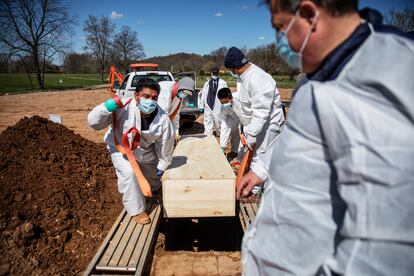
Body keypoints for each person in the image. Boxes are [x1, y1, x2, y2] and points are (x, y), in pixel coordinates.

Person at [239, 1, 414, 275]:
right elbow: (306, 142)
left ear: (309, 15)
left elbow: (382, 251)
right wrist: (262, 169)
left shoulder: (382, 82)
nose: (281, 41)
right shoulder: (321, 73)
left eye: (281, 28)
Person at [88, 78, 175, 225]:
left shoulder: (162, 119)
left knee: (152, 177)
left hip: (144, 150)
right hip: (120, 148)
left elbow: (165, 144)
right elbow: (94, 124)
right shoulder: (123, 107)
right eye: (146, 96)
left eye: (154, 98)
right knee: (129, 174)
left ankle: (152, 192)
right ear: (136, 96)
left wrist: (162, 164)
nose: (150, 101)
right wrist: (106, 107)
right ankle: (137, 210)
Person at [224, 46, 285, 185]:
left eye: (230, 70)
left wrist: (252, 133)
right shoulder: (245, 77)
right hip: (258, 125)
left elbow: (261, 111)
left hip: (269, 126)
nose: (230, 72)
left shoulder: (258, 79)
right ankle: (259, 187)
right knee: (257, 157)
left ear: (235, 67)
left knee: (260, 158)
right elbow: (247, 105)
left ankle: (257, 190)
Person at [199, 67, 228, 139]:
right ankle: (208, 134)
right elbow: (203, 94)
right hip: (208, 104)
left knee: (218, 120)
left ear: (218, 74)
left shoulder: (223, 83)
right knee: (208, 120)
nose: (214, 75)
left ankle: (219, 133)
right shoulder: (207, 83)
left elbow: (226, 94)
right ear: (211, 74)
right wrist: (201, 106)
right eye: (213, 73)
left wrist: (226, 104)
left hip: (218, 105)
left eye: (216, 73)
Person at [217, 87, 242, 159]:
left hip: (241, 116)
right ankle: (222, 148)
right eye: (222, 102)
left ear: (230, 98)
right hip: (230, 117)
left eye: (226, 102)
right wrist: (223, 144)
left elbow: (243, 115)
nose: (224, 104)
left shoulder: (239, 99)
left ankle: (236, 152)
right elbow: (223, 119)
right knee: (225, 129)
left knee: (239, 133)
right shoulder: (223, 106)